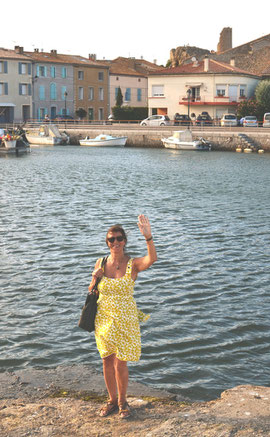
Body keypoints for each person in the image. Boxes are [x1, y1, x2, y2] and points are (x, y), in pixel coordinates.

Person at [89, 214, 157, 419]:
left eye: (119, 238)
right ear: (107, 242)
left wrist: (148, 237)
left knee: (121, 363)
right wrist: (95, 278)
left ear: (124, 241)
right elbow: (92, 290)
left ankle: (123, 402)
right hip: (103, 319)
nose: (115, 242)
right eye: (111, 239)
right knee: (106, 361)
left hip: (126, 320)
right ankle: (111, 401)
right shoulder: (100, 262)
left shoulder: (132, 264)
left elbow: (152, 259)